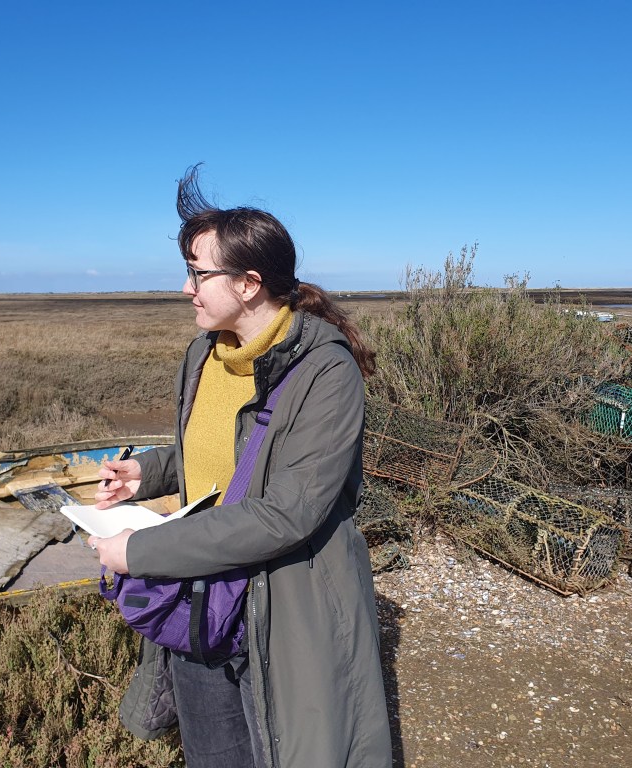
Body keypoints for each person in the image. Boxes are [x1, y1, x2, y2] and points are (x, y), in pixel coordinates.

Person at [88, 165, 392, 768]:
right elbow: (214, 451)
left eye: (199, 274)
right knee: (215, 751)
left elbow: (286, 513)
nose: (186, 289)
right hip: (202, 589)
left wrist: (140, 553)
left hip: (281, 602)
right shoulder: (206, 353)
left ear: (250, 283)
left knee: (286, 744)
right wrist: (145, 475)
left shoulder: (325, 374)